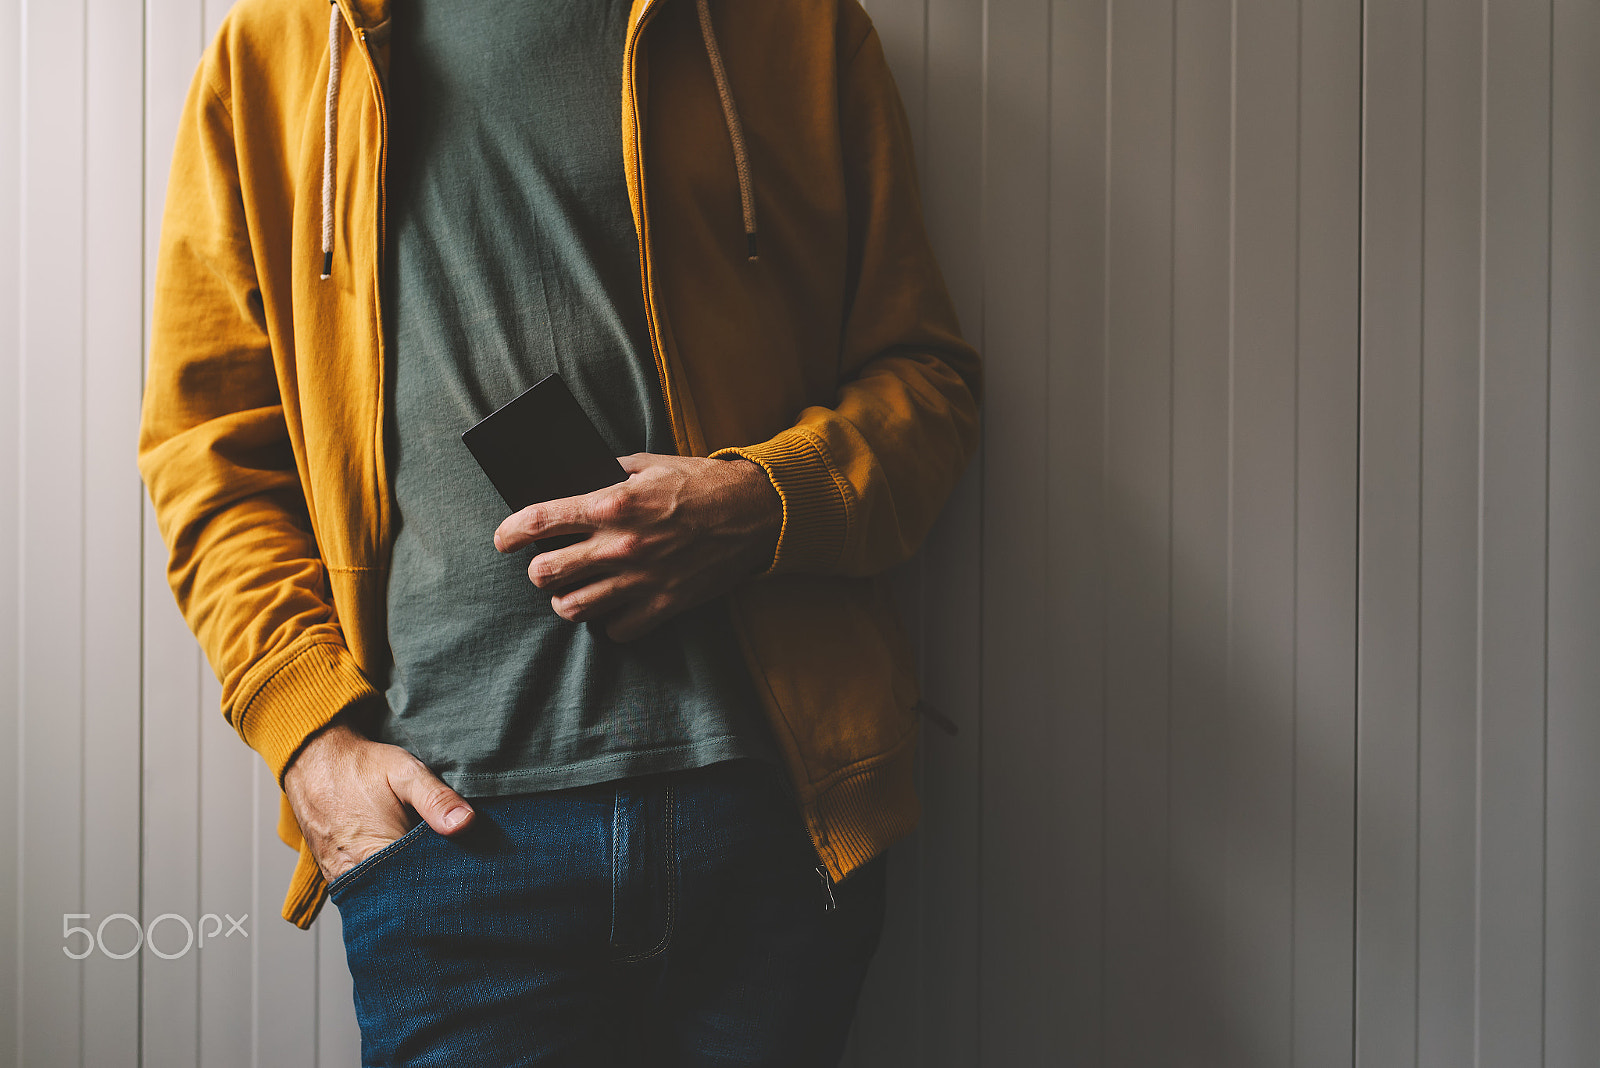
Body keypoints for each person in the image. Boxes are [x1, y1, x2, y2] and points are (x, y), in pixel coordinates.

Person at [139, 0, 980, 1062]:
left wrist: (758, 502)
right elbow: (207, 449)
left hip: (767, 816)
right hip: (446, 831)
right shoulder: (279, 46)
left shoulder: (797, 26)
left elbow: (927, 384)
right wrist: (309, 733)